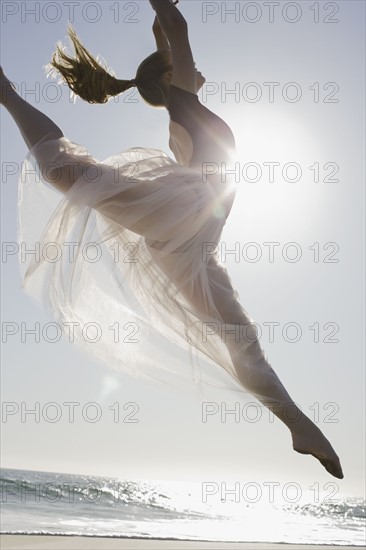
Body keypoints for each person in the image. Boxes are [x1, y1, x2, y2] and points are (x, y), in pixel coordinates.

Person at [0, 0, 343, 479]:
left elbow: (169, 38)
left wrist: (160, 31)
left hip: (191, 246)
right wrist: (163, 12)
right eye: (185, 64)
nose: (197, 68)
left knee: (241, 340)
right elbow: (177, 30)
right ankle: (8, 94)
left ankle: (298, 424)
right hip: (183, 212)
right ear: (169, 77)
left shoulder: (181, 107)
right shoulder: (184, 102)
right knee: (66, 173)